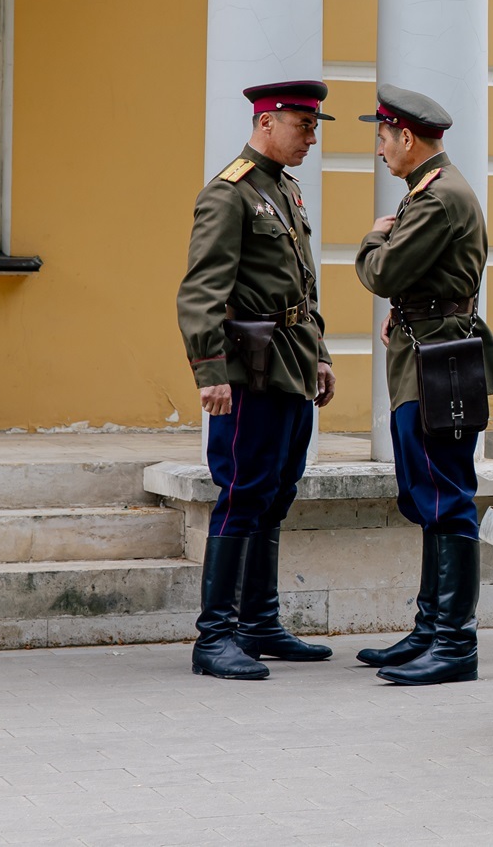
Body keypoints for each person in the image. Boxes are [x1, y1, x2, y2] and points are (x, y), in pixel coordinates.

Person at [176, 81, 338, 680]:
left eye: (315, 126)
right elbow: (201, 292)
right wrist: (210, 372)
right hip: (247, 371)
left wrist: (320, 355)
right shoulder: (229, 194)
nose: (312, 138)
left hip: (291, 364)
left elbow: (305, 285)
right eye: (304, 125)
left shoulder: (284, 190)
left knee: (277, 492)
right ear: (267, 121)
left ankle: (259, 622)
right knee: (242, 493)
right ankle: (213, 637)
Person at [353, 84, 493, 686]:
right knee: (431, 497)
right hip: (428, 356)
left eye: (382, 137)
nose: (378, 149)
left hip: (436, 364)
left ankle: (454, 643)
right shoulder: (434, 191)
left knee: (447, 500)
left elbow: (384, 270)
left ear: (407, 138)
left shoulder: (436, 198)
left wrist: (374, 236)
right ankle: (430, 629)